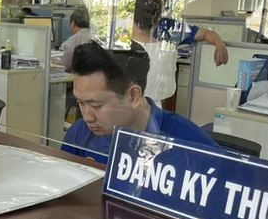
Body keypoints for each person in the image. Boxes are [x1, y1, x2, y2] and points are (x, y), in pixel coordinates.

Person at [61, 42, 219, 162]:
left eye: (96, 105)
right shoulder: (80, 134)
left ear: (133, 96)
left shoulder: (187, 143)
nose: (87, 116)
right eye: (80, 103)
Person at [132, 0, 228, 105]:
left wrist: (219, 44)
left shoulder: (168, 27)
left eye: (155, 0)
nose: (150, 5)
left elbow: (205, 33)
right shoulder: (127, 27)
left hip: (153, 102)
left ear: (164, 1)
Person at [58, 7, 93, 72]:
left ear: (73, 24)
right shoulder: (96, 39)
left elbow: (65, 66)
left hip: (77, 79)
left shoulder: (71, 42)